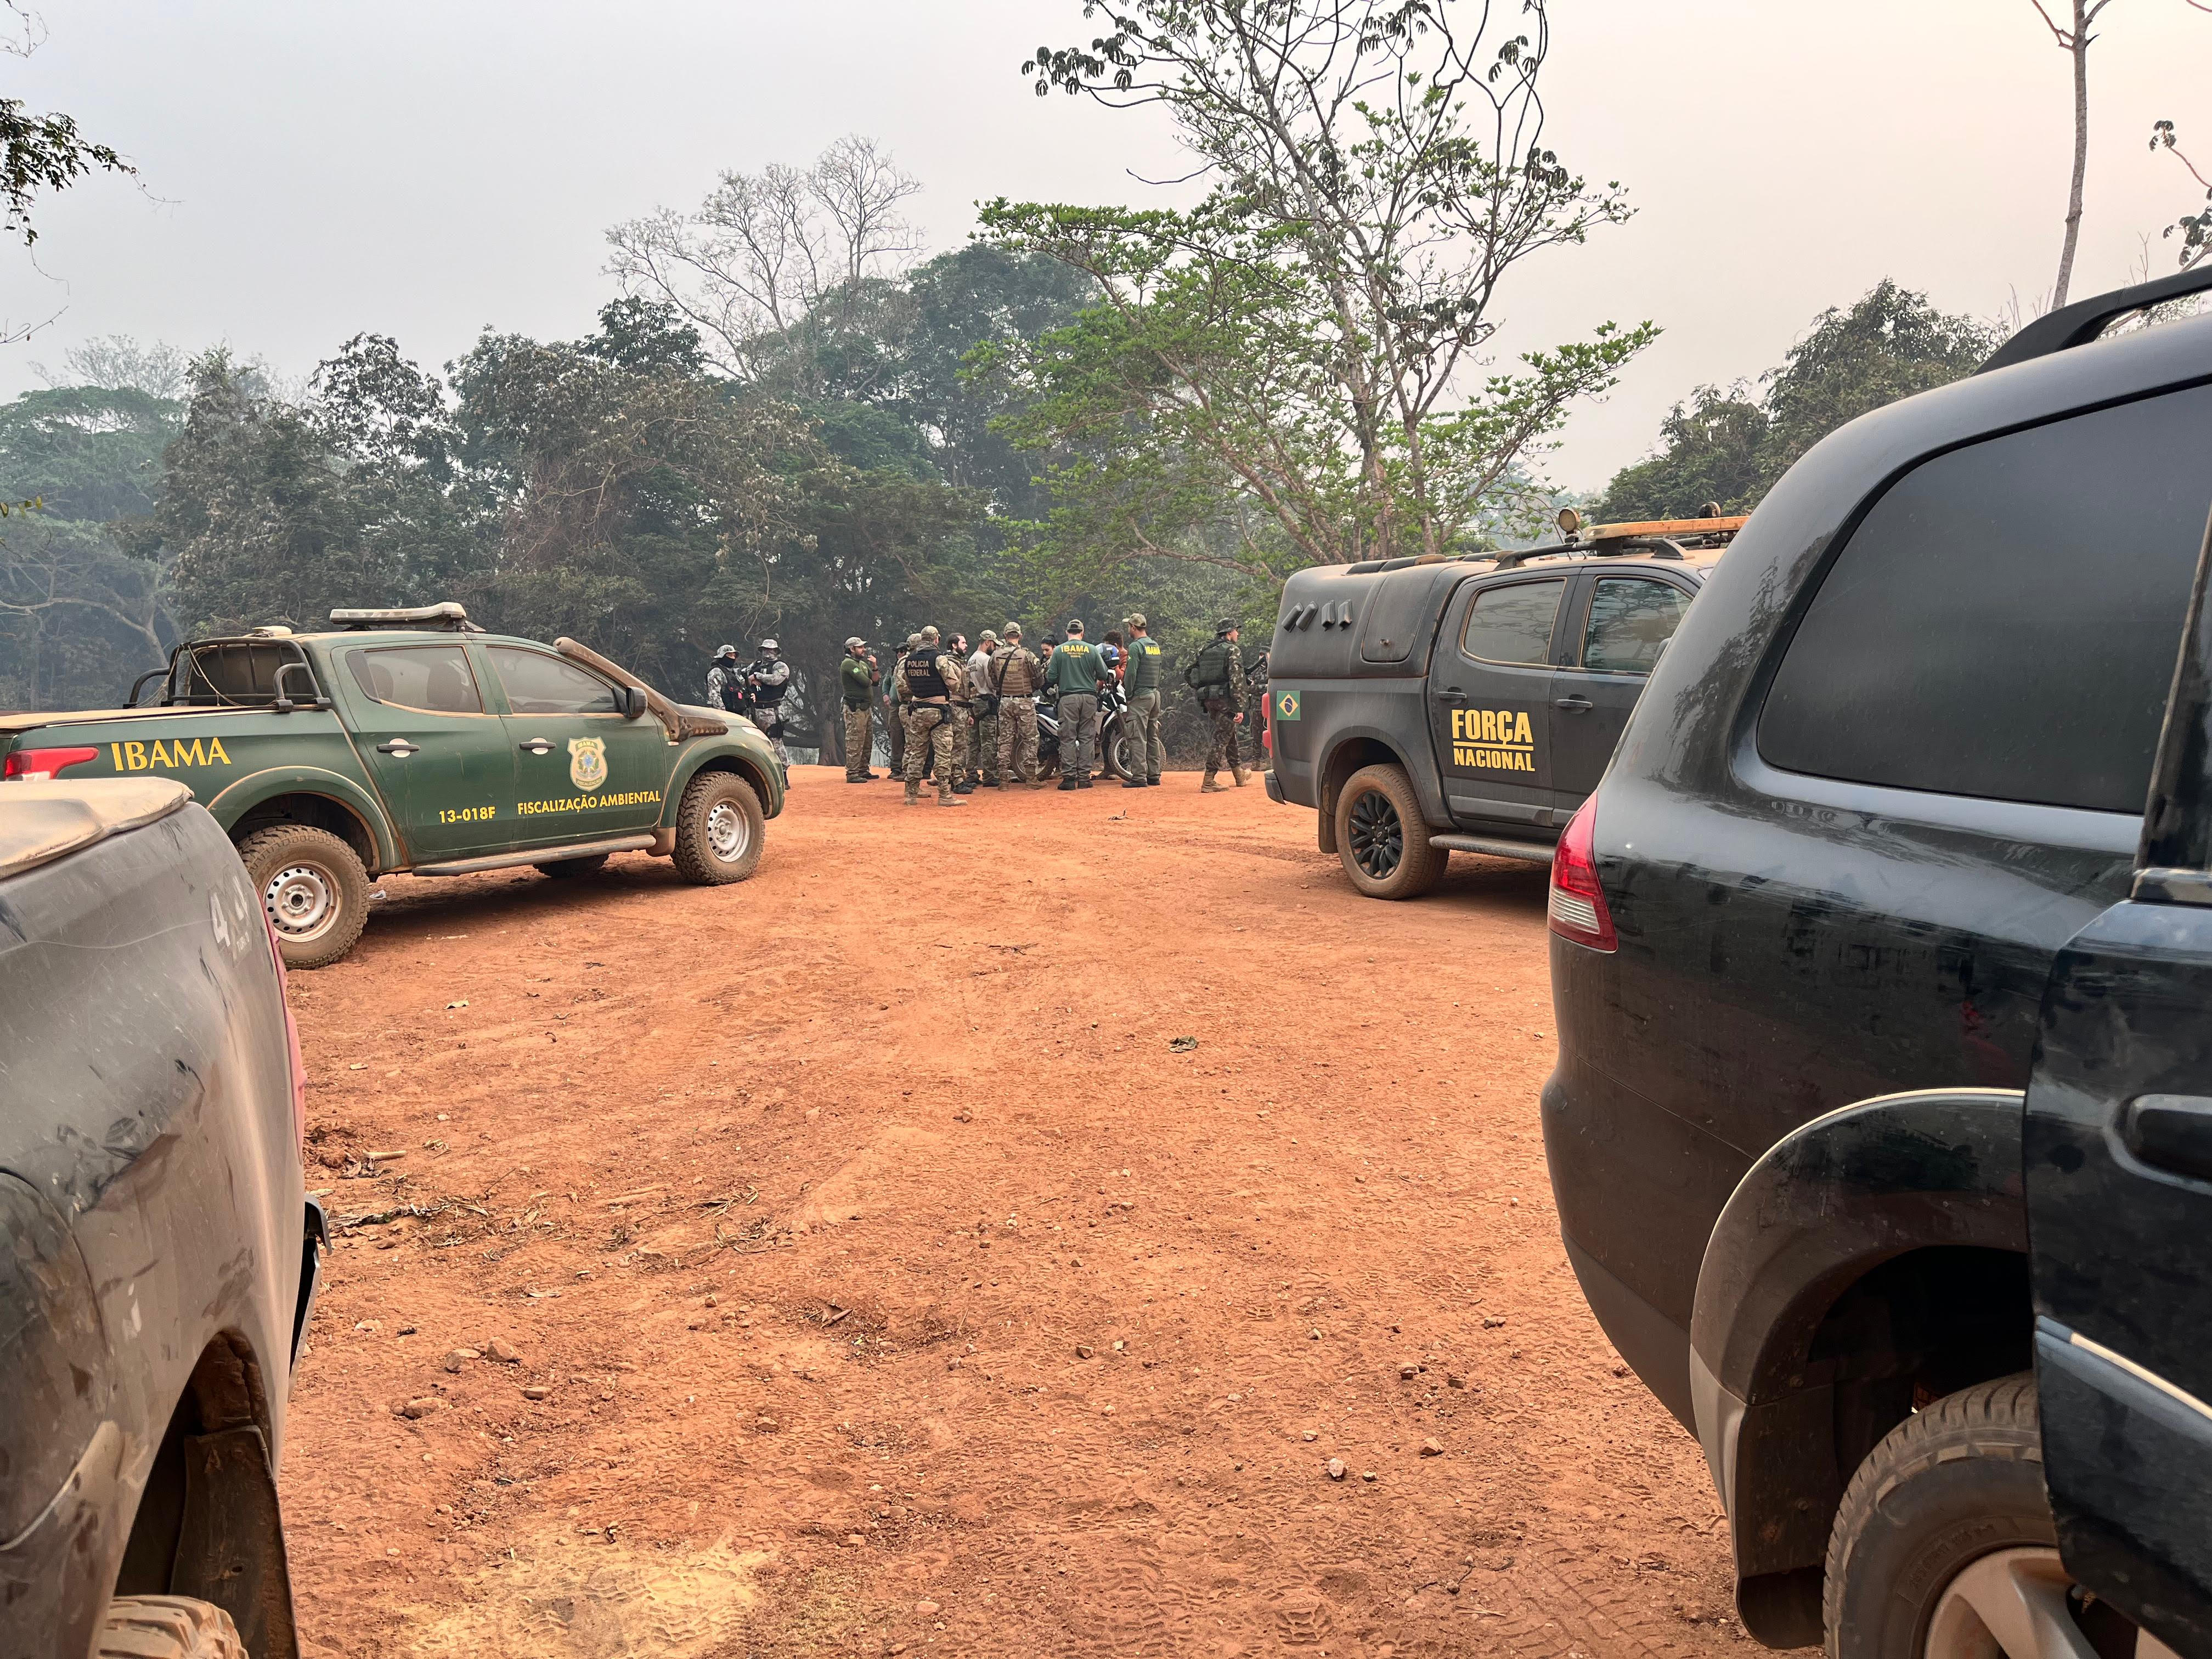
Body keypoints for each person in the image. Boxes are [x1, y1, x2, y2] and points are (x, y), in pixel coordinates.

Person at [895, 626, 968, 806]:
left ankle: (910, 794)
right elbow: (954, 685)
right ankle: (945, 795)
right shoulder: (939, 659)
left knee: (917, 753)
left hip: (917, 709)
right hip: (938, 711)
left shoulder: (909, 660)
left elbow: (905, 685)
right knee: (943, 753)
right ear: (936, 640)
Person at [1185, 617, 1251, 792]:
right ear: (1229, 633)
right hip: (1226, 701)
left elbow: (1189, 673)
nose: (1238, 634)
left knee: (1229, 733)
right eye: (1236, 631)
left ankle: (1239, 775)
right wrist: (1239, 707)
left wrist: (1204, 688)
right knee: (1222, 737)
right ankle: (1209, 779)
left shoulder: (1204, 650)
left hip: (1209, 700)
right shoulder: (1232, 650)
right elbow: (1237, 681)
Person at [1045, 618, 1110, 790]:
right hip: (1089, 698)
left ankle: (1068, 779)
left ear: (1067, 633)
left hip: (1068, 699)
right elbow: (1103, 673)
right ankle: (1084, 779)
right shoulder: (1092, 649)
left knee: (1067, 739)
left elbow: (1051, 678)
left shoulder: (1059, 651)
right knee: (1087, 738)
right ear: (1082, 633)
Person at [991, 623, 1046, 789]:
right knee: (1030, 739)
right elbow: (1039, 679)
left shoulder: (995, 655)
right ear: (1020, 636)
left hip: (1005, 702)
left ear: (1005, 635)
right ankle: (1031, 779)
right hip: (1024, 701)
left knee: (1005, 740)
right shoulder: (1027, 655)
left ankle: (1003, 781)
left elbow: (993, 679)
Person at [1121, 613, 1165, 788]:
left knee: (1137, 736)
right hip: (1155, 694)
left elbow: (1131, 673)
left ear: (1133, 627)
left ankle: (1139, 777)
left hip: (1140, 696)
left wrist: (1129, 693)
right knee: (1152, 735)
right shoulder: (1154, 646)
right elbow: (1159, 669)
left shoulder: (1136, 647)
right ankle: (1154, 775)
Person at [745, 639, 793, 764]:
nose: (768, 652)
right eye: (765, 649)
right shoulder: (755, 665)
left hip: (772, 710)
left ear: (776, 651)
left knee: (775, 740)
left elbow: (776, 679)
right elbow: (741, 677)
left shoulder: (780, 666)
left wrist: (757, 676)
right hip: (754, 710)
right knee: (755, 742)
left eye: (771, 650)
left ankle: (783, 772)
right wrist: (749, 680)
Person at [839, 637, 879, 782]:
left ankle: (863, 769)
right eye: (860, 647)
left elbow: (875, 681)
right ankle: (852, 773)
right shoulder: (849, 664)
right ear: (852, 649)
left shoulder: (861, 664)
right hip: (855, 708)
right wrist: (870, 680)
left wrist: (875, 667)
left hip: (865, 708)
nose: (864, 650)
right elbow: (865, 682)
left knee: (867, 740)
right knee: (855, 740)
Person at [967, 629, 1001, 789]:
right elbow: (992, 682)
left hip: (973, 702)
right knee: (988, 740)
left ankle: (971, 774)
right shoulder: (986, 659)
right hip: (987, 701)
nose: (994, 648)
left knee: (973, 741)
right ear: (988, 642)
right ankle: (990, 775)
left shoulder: (971, 660)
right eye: (994, 644)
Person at [945, 633, 978, 794]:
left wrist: (969, 713)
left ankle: (958, 777)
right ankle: (956, 781)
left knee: (962, 744)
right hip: (955, 707)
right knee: (958, 745)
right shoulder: (949, 664)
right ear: (954, 645)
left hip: (963, 708)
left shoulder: (960, 663)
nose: (966, 645)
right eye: (963, 643)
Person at [887, 631, 920, 777]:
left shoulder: (917, 660)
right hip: (907, 705)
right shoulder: (905, 662)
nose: (899, 653)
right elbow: (899, 685)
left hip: (916, 705)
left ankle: (914, 771)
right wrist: (919, 691)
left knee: (915, 740)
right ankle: (906, 771)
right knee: (908, 740)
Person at [706, 644, 746, 714]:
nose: (733, 658)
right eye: (730, 655)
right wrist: (723, 714)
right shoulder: (716, 672)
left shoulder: (733, 673)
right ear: (722, 657)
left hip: (737, 714)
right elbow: (714, 695)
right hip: (724, 714)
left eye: (734, 656)